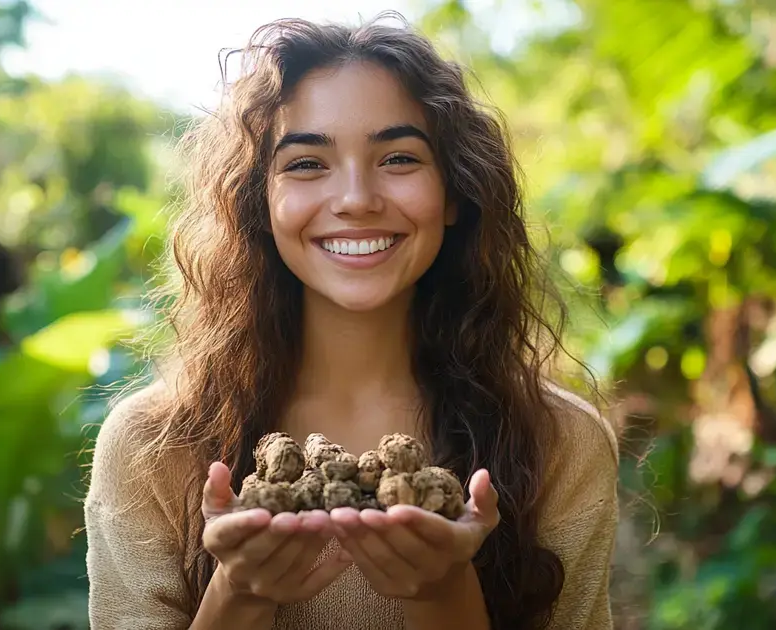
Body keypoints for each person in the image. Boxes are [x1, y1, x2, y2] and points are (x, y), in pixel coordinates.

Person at [84, 13, 618, 630]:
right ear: (260, 203)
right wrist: (241, 593)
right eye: (307, 163)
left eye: (397, 157)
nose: (357, 198)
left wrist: (443, 593)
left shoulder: (558, 443)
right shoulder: (154, 447)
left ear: (453, 195)